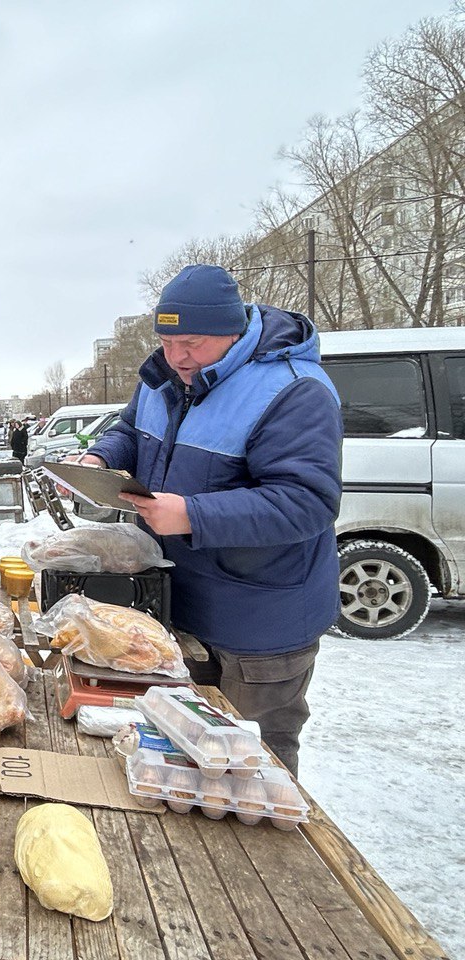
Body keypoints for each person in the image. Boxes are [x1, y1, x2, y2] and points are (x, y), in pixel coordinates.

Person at [83, 264, 342, 776]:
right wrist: (101, 457)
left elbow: (307, 501)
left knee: (251, 763)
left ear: (234, 330)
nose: (176, 356)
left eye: (193, 343)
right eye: (166, 340)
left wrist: (191, 514)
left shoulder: (294, 390)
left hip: (259, 626)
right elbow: (130, 430)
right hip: (180, 608)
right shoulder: (164, 377)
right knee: (180, 750)